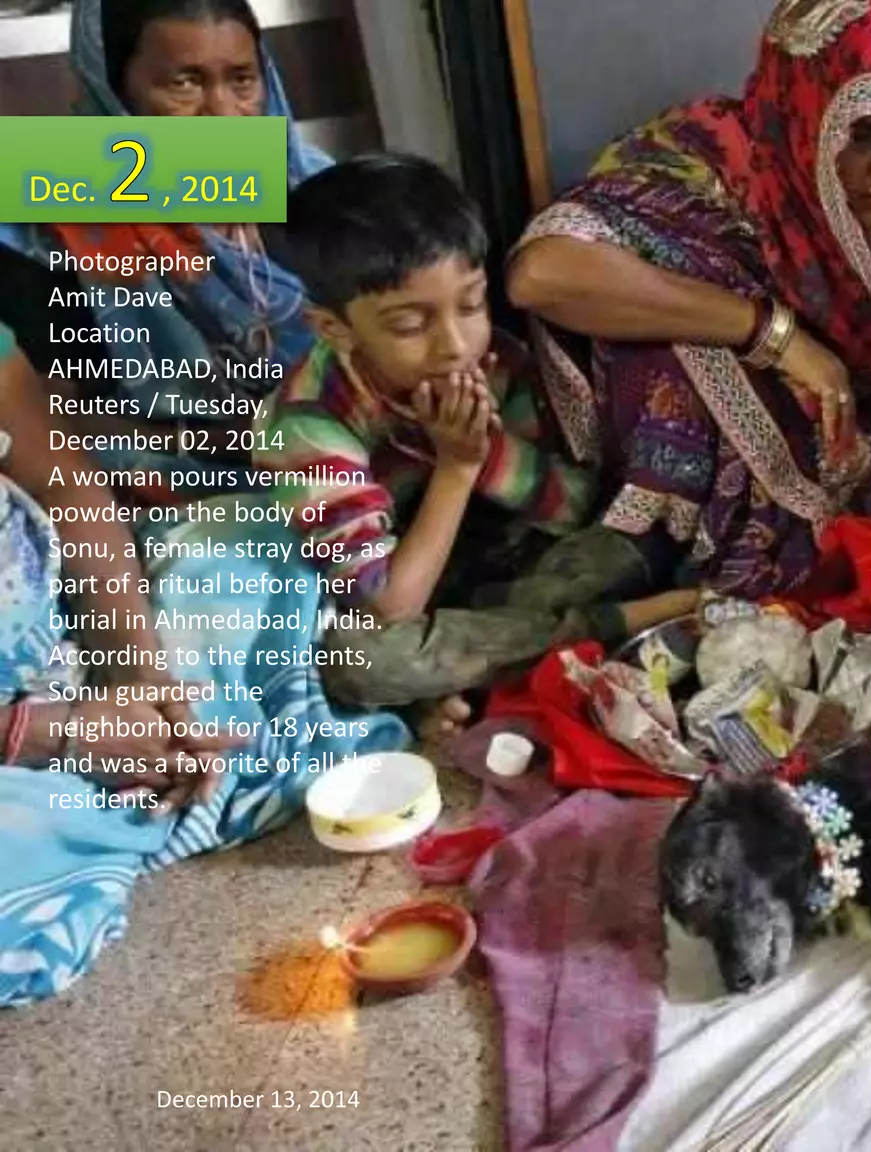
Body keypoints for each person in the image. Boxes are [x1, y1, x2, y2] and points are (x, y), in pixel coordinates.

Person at [507, 0, 871, 601]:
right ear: (810, 115)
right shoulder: (710, 154)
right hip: (656, 471)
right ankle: (621, 570)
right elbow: (542, 274)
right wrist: (775, 336)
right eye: (861, 135)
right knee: (677, 336)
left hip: (826, 470)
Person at [0, 319, 407, 1007]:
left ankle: (148, 773)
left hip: (66, 643)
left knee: (246, 546)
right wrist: (42, 732)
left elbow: (64, 486)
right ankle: (111, 808)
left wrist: (140, 669)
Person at [254, 155, 699, 729]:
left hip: (491, 572)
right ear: (334, 328)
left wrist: (485, 454)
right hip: (402, 590)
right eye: (410, 325)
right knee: (358, 664)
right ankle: (610, 626)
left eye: (470, 304)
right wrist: (457, 465)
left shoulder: (493, 362)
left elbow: (571, 506)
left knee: (639, 538)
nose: (455, 345)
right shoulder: (308, 423)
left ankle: (479, 669)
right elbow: (387, 606)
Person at [0, 0, 329, 485]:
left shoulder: (324, 194)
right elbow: (64, 429)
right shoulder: (49, 231)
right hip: (172, 500)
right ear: (113, 88)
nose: (224, 118)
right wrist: (260, 439)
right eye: (184, 83)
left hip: (355, 471)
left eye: (242, 79)